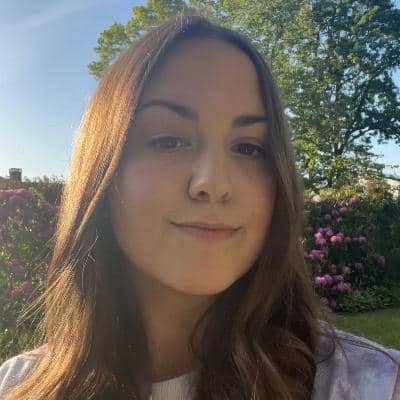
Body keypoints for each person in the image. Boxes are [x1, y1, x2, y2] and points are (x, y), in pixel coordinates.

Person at [0, 14, 399, 400]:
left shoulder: (377, 385)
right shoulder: (16, 386)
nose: (213, 183)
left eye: (249, 148)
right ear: (103, 171)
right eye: (168, 140)